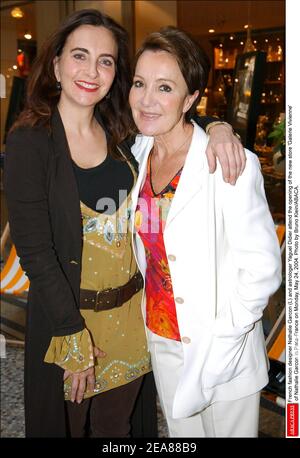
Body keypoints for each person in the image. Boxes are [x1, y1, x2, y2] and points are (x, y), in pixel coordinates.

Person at [4, 10, 245, 438]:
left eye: (106, 60)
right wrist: (70, 332)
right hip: (72, 324)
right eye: (80, 56)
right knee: (69, 428)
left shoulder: (121, 131)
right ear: (56, 64)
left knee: (120, 429)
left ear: (116, 73)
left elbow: (174, 120)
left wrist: (220, 126)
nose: (91, 71)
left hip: (134, 320)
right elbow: (35, 251)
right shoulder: (31, 139)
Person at [129, 26, 282, 438]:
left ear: (191, 98)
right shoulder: (138, 153)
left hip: (220, 349)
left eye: (164, 87)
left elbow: (263, 270)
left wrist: (225, 342)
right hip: (163, 340)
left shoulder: (228, 162)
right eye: (140, 83)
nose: (146, 99)